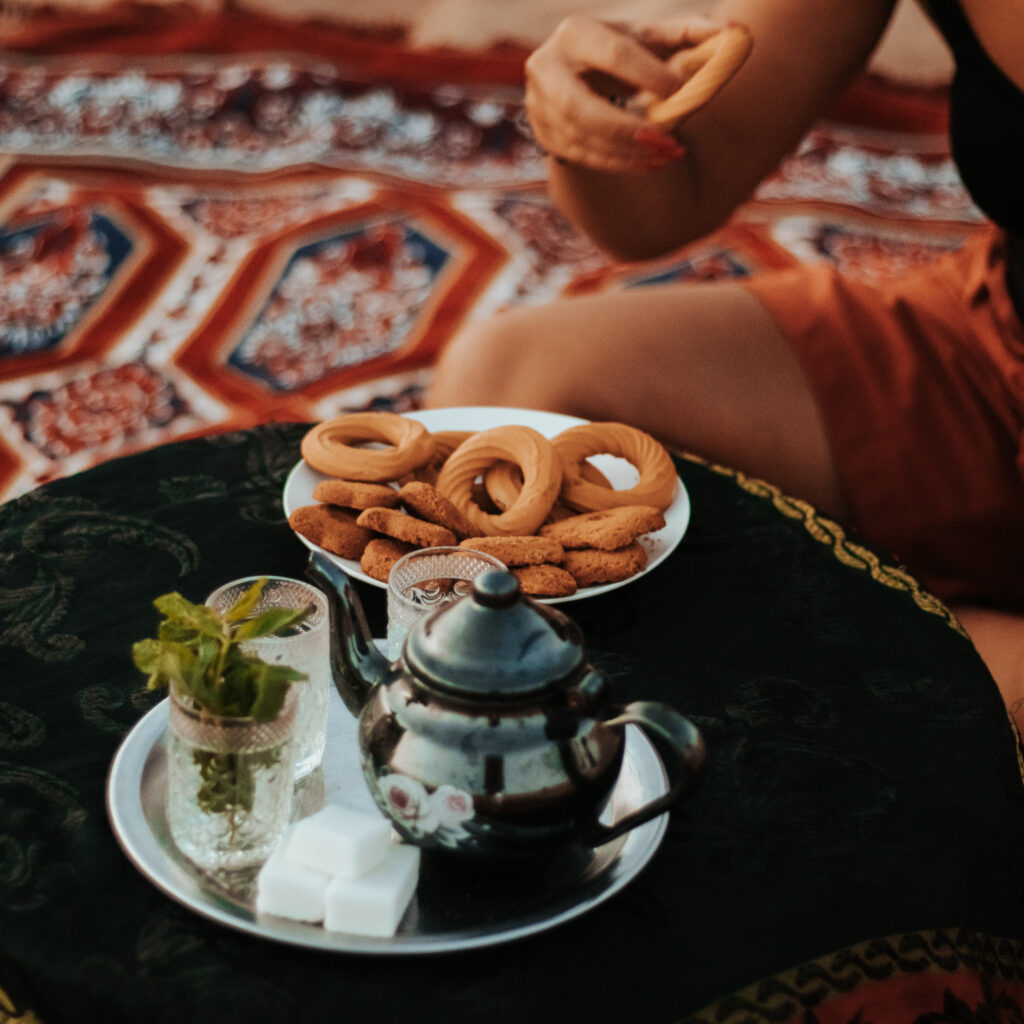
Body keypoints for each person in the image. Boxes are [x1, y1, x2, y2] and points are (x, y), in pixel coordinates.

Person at [425, 0, 1024, 709]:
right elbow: (666, 199)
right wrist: (591, 113)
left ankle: (875, 653)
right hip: (999, 341)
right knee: (504, 402)